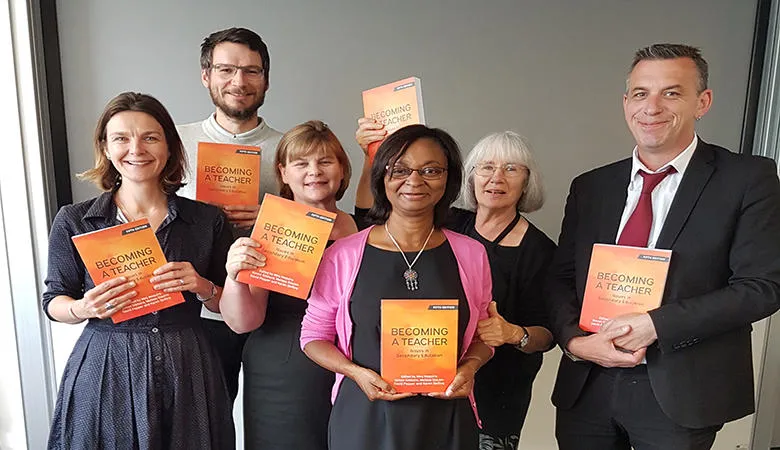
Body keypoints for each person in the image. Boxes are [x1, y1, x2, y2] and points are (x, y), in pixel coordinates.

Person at [547, 43, 780, 450]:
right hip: (589, 385)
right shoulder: (591, 187)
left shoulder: (748, 178)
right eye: (640, 93)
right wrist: (575, 342)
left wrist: (655, 325)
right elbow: (561, 279)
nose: (651, 107)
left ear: (702, 102)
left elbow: (761, 287)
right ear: (625, 103)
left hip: (681, 388)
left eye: (671, 92)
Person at [42, 92, 235, 449]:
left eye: (150, 137)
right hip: (106, 366)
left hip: (188, 364)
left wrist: (203, 286)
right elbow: (54, 299)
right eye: (121, 138)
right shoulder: (75, 220)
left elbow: (233, 306)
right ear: (105, 146)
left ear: (169, 146)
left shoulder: (206, 220)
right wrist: (82, 308)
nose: (136, 149)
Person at [356, 123, 556, 449]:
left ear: (527, 181)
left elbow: (548, 335)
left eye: (511, 169)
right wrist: (374, 155)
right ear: (468, 177)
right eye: (486, 167)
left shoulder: (540, 251)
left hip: (495, 389)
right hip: (423, 382)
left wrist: (513, 333)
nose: (496, 178)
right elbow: (369, 217)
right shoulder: (446, 221)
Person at [300, 124, 494, 450]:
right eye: (400, 169)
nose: (415, 181)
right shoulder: (343, 255)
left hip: (445, 418)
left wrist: (471, 367)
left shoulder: (471, 254)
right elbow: (312, 338)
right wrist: (355, 373)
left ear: (449, 178)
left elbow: (484, 336)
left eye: (430, 170)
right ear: (382, 176)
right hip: (365, 415)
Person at [220, 120, 357, 449]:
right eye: (301, 163)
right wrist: (233, 277)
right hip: (284, 370)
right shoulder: (269, 231)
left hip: (353, 364)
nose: (314, 171)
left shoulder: (362, 228)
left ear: (341, 171)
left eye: (325, 161)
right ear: (283, 172)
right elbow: (243, 322)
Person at [176, 26, 283, 402]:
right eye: (226, 69)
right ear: (206, 76)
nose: (239, 81)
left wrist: (269, 216)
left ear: (266, 80)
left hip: (273, 313)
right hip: (198, 317)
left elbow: (317, 223)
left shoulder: (291, 148)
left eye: (252, 71)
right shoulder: (173, 142)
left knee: (275, 426)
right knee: (205, 426)